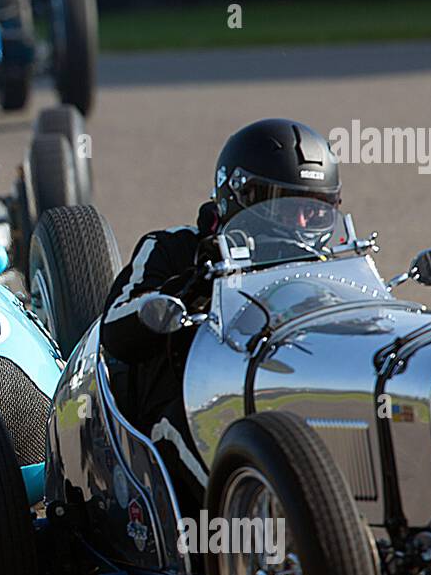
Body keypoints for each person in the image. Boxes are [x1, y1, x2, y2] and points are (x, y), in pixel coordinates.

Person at [98, 119, 342, 483]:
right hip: (195, 401)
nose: (304, 222)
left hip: (293, 396)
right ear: (241, 197)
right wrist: (188, 290)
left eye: (318, 211)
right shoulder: (173, 247)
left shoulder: (330, 266)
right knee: (179, 430)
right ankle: (224, 535)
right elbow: (114, 333)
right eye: (288, 209)